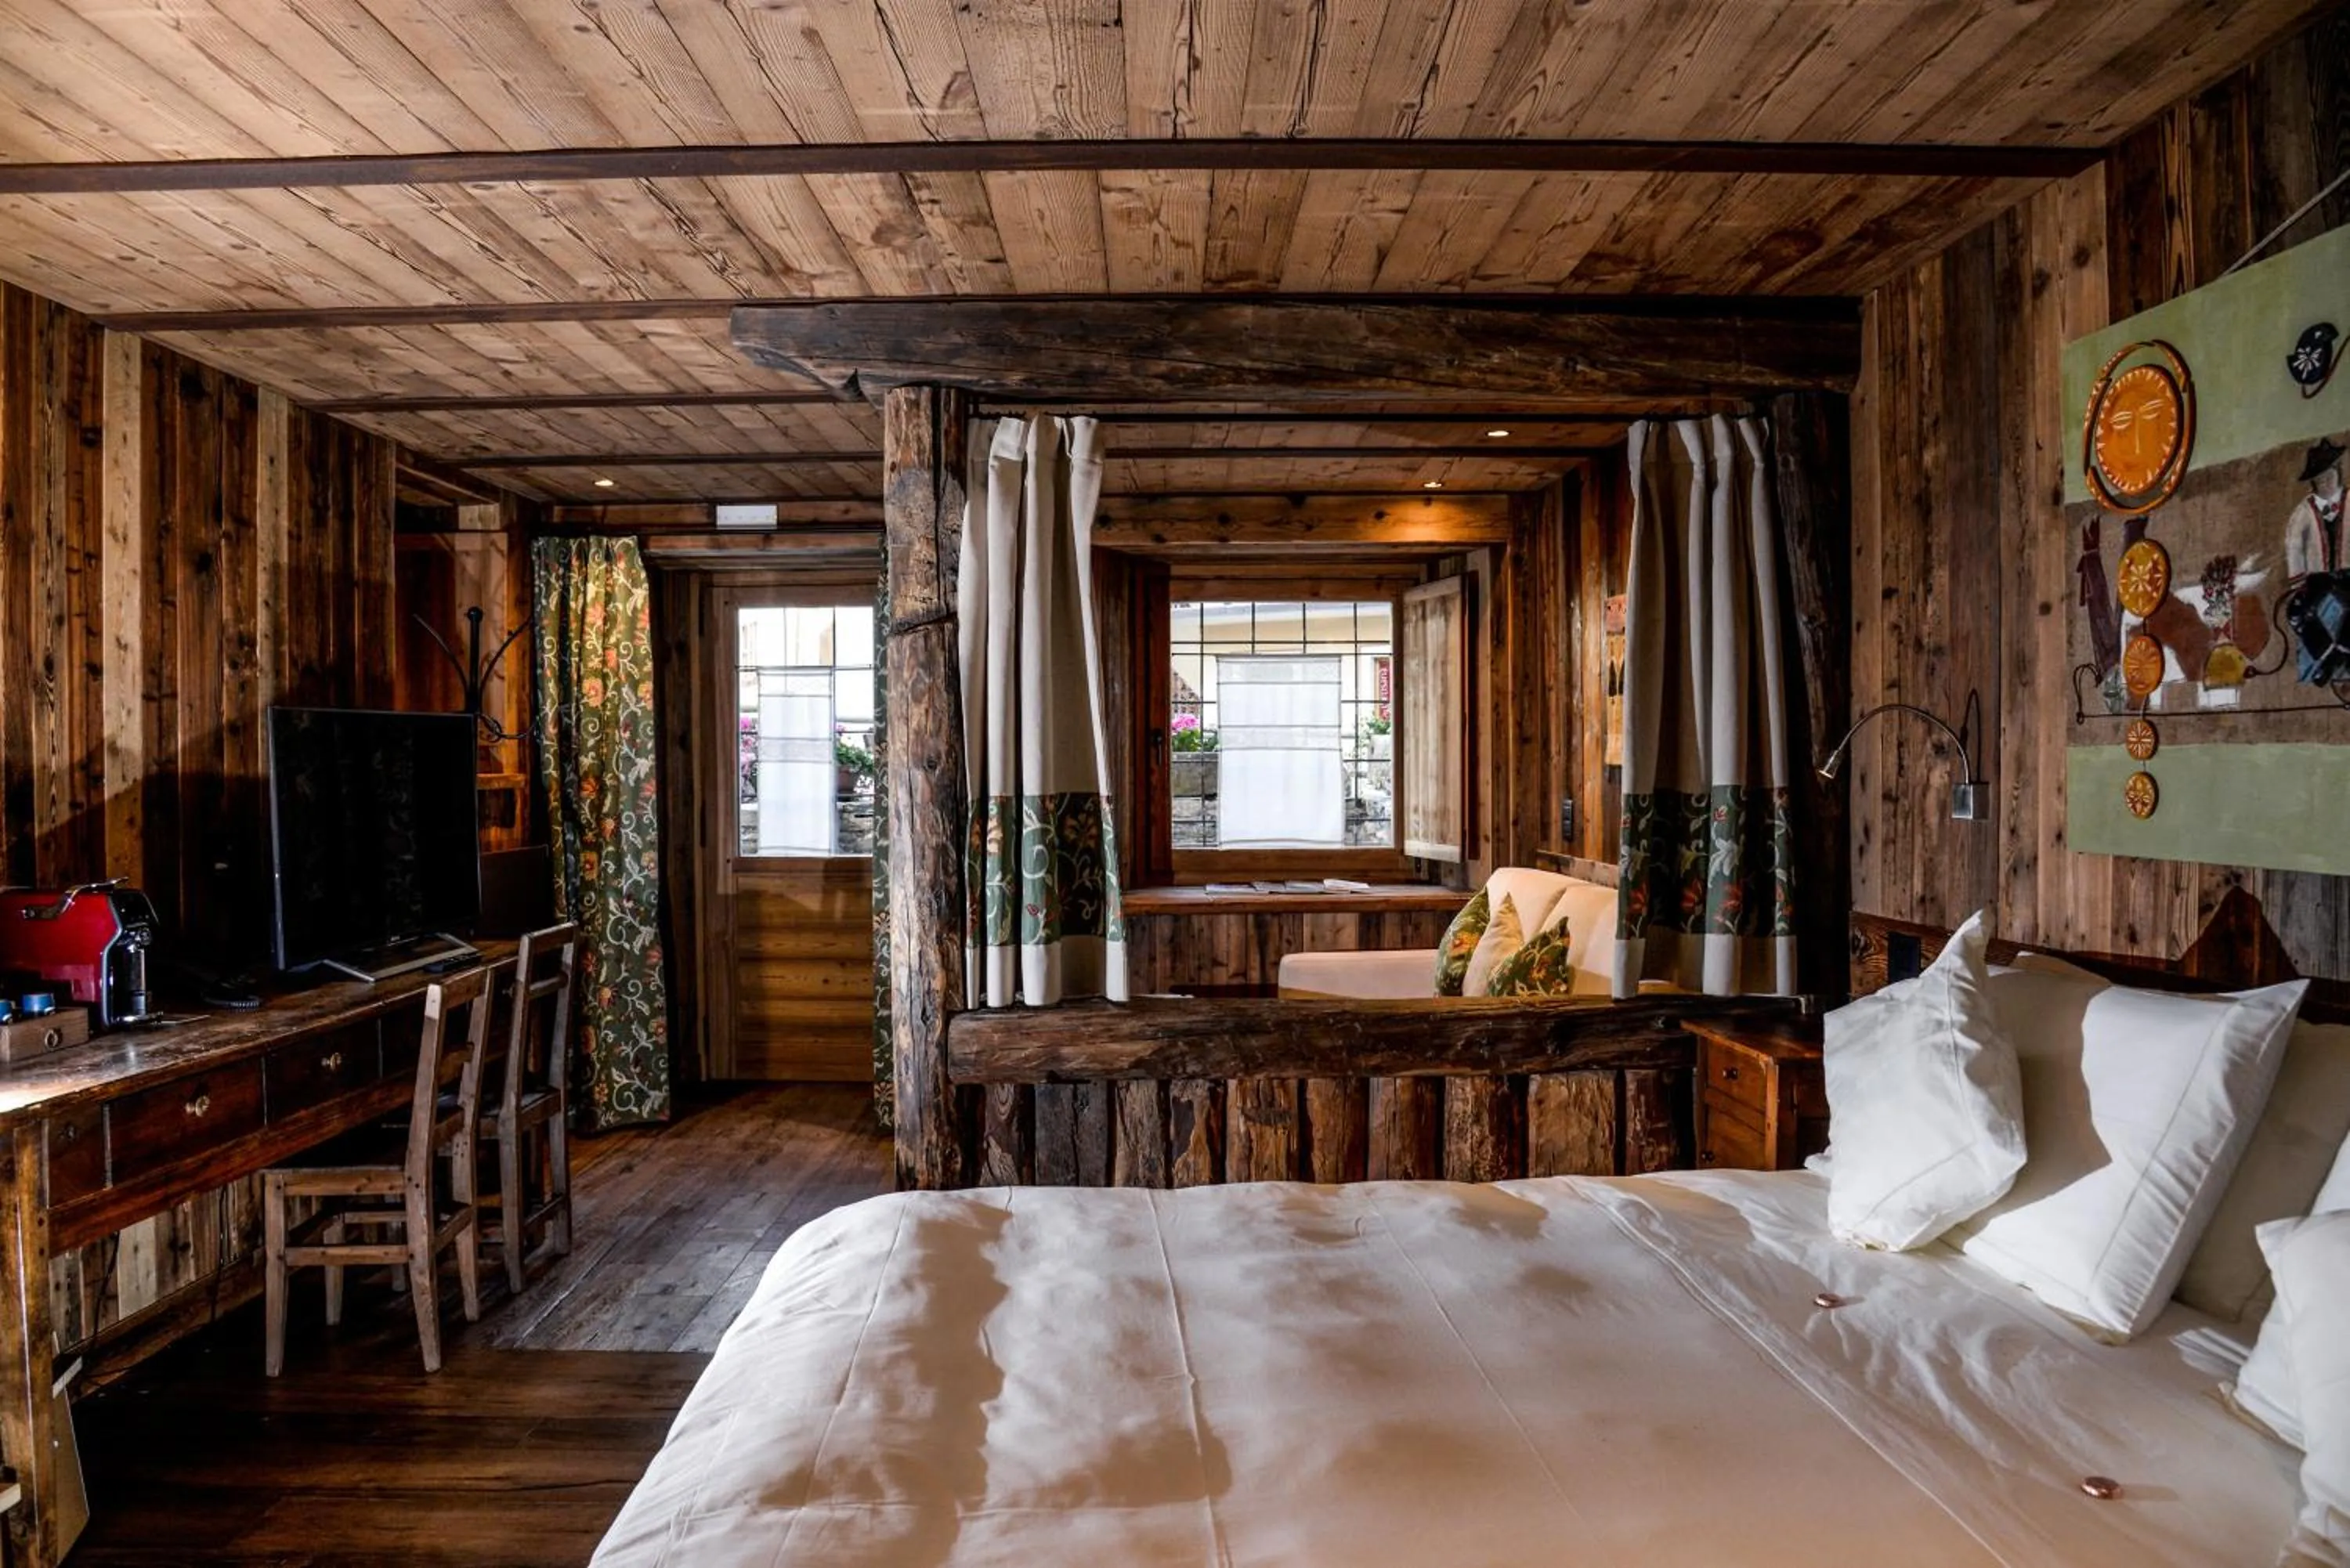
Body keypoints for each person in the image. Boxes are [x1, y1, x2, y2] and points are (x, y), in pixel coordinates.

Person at [2285, 435, 2345, 585]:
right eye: (2320, 480)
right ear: (2314, 484)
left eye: (2330, 477)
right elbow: (2294, 545)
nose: (2326, 484)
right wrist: (2299, 583)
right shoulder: (2304, 511)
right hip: (2318, 582)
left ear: (2338, 473)